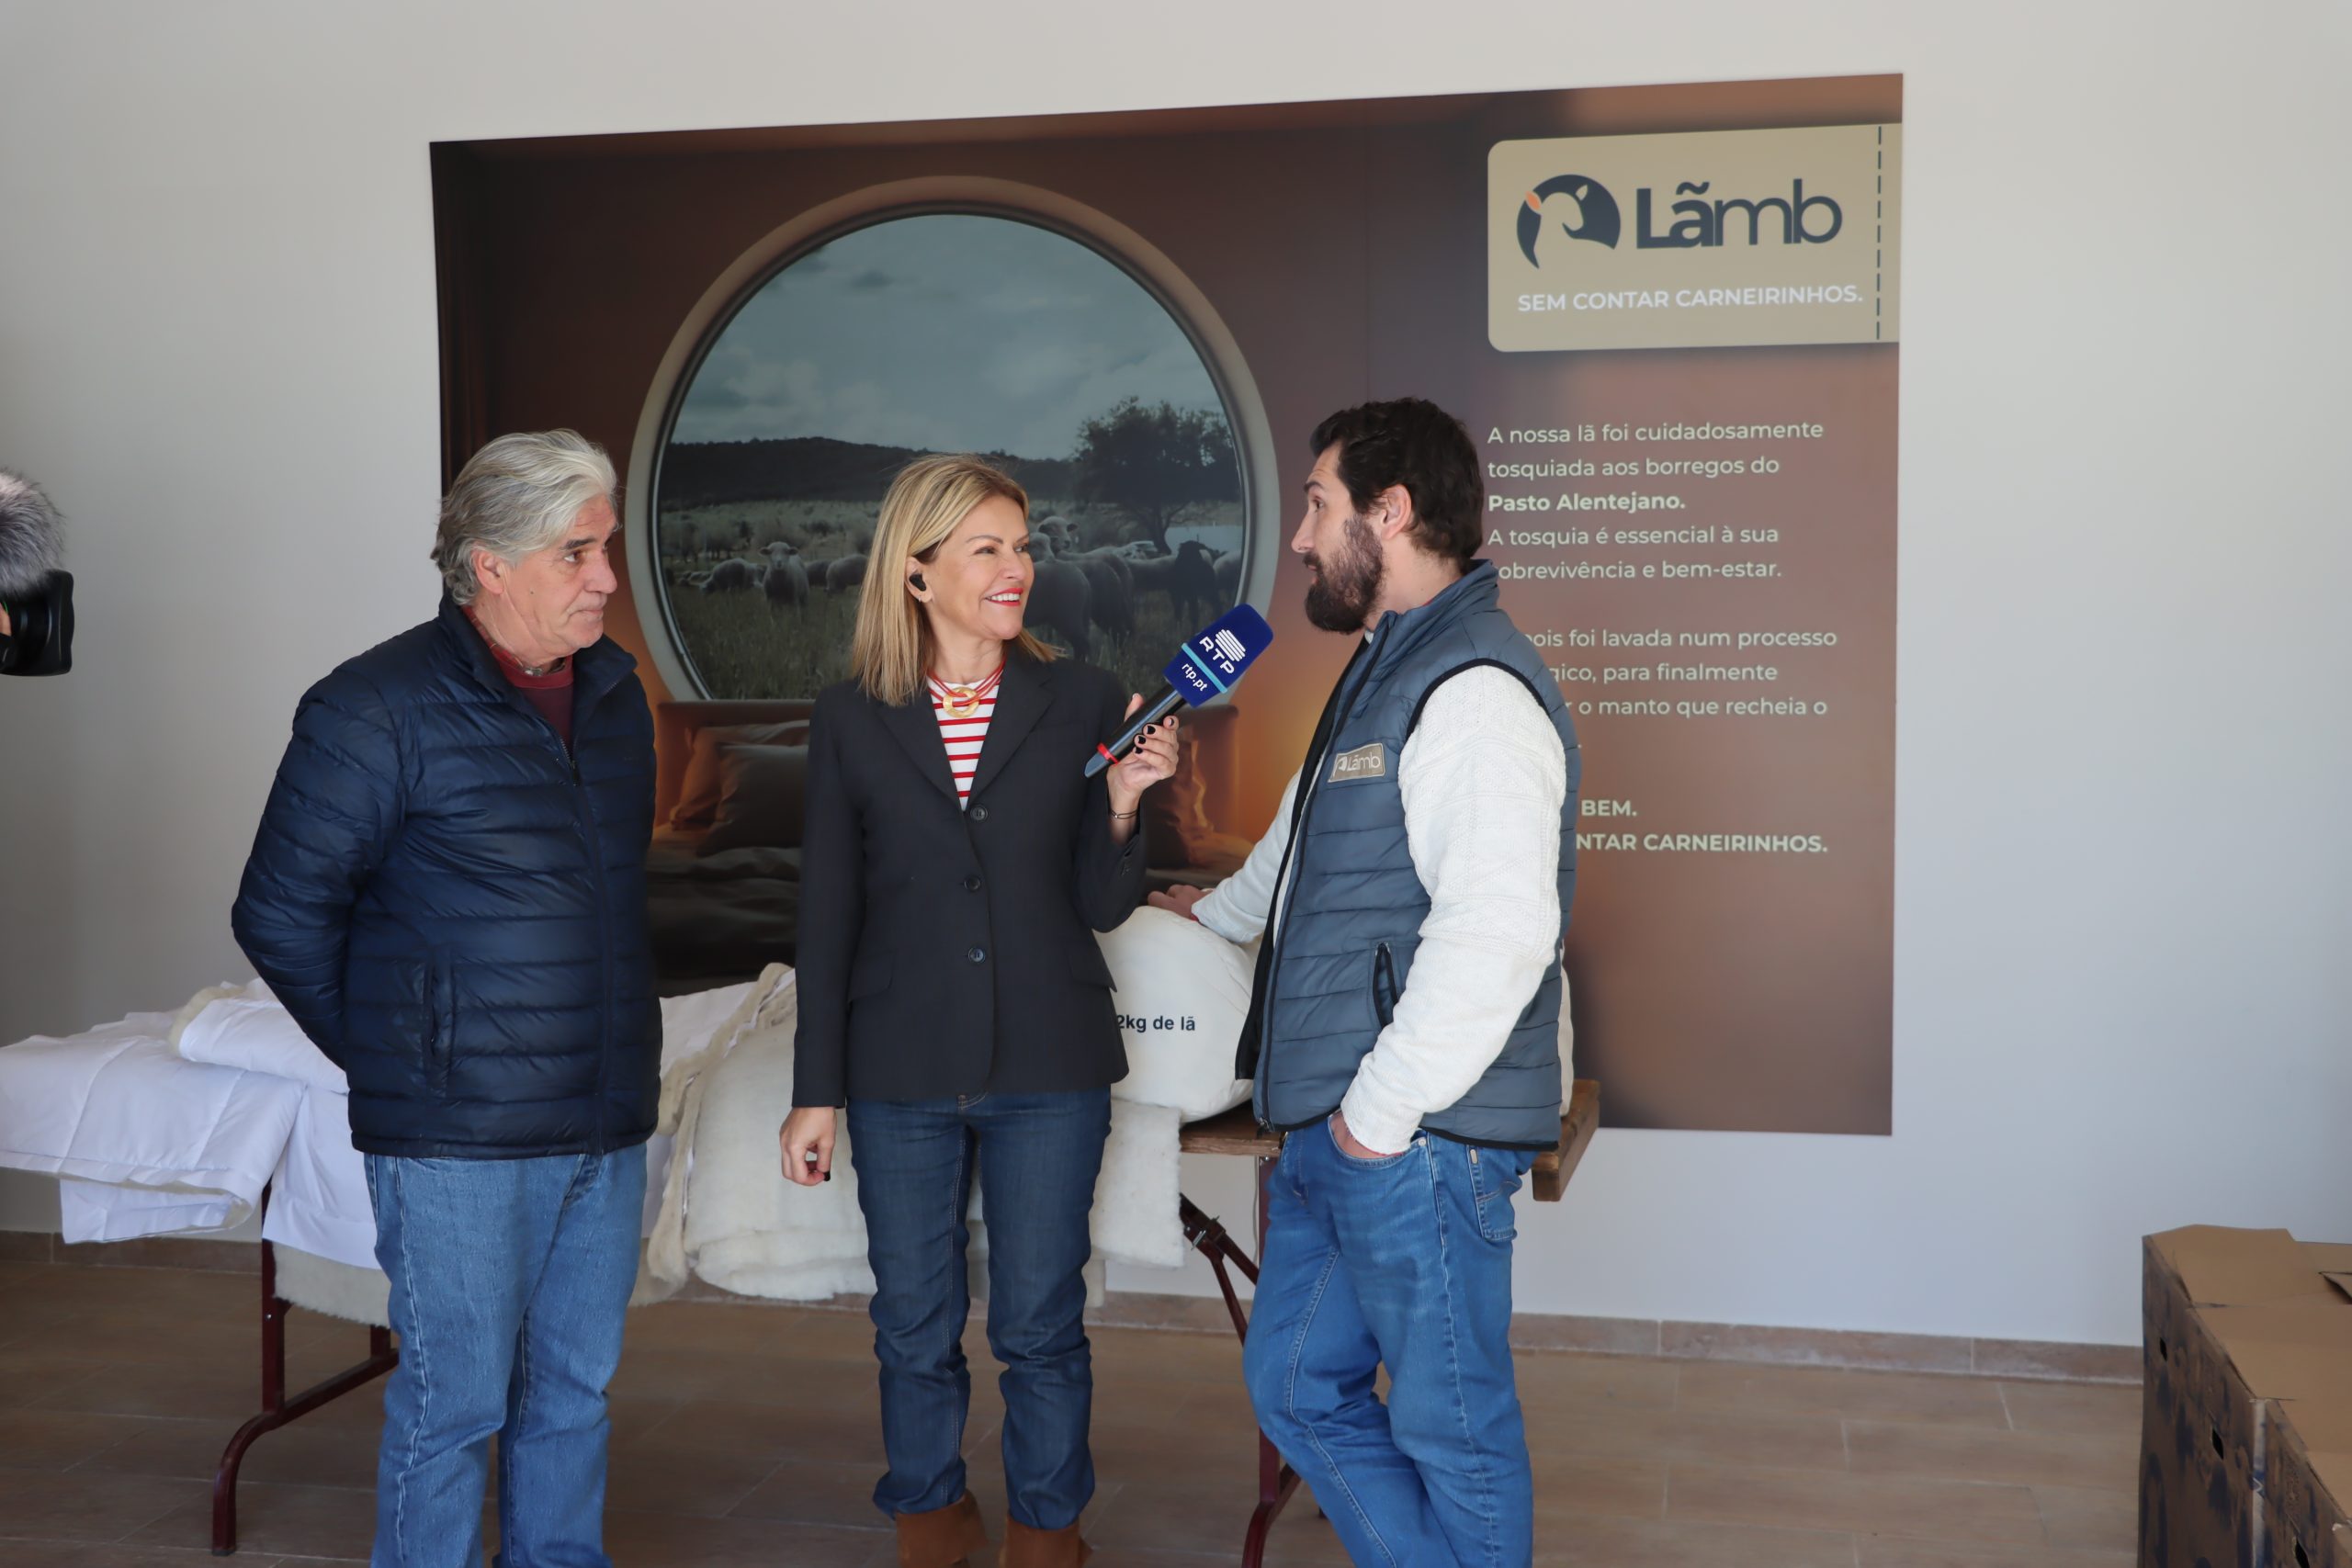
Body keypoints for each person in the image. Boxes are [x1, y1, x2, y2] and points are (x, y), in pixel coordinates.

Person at [1153, 398, 1581, 1567]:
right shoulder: (1379, 674)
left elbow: (1498, 935)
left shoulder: (1473, 692)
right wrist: (1204, 915)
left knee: (1453, 1428)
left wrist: (1371, 1121)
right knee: (1293, 1385)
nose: (1297, 538)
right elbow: (1299, 854)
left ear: (1390, 513)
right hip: (1344, 1128)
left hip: (1409, 1134)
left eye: (1317, 503)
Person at [232, 430, 656, 1568]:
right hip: (456, 1141)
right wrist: (402, 1053)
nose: (607, 577)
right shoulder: (373, 708)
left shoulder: (616, 701)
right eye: (577, 553)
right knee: (453, 1407)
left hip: (605, 1124)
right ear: (489, 565)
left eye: (605, 546)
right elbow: (277, 912)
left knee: (573, 1399)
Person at [779, 454, 1176, 1568]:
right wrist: (816, 1092)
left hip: (1049, 1060)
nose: (1019, 570)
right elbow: (826, 917)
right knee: (911, 1324)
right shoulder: (851, 718)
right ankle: (928, 1518)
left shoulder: (1086, 697)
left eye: (1026, 545)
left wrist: (1126, 804)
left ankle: (1047, 1535)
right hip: (896, 1065)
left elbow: (1101, 905)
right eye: (988, 549)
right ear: (916, 575)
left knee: (1039, 1326)